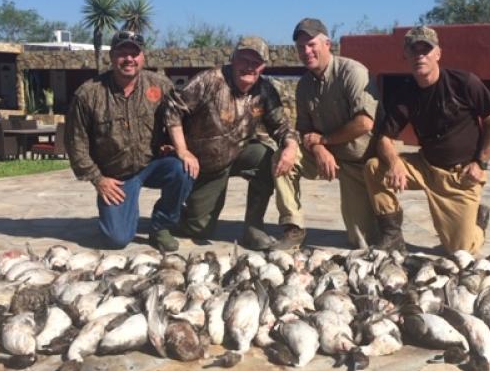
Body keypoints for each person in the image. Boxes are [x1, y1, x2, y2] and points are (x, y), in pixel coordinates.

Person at [364, 25, 490, 254]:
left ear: (438, 54)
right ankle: (392, 236)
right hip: (426, 167)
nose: (420, 55)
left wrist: (480, 163)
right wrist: (394, 162)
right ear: (406, 55)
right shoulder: (405, 93)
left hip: (460, 176)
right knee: (374, 167)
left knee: (460, 251)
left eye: (426, 50)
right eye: (414, 50)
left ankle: (477, 223)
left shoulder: (464, 82)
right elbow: (384, 138)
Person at [164, 36, 299, 249]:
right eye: (244, 59)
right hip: (204, 165)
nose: (249, 66)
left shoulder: (265, 90)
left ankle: (253, 227)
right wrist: (182, 150)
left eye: (255, 62)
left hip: (238, 153)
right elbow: (173, 109)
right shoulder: (208, 80)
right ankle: (175, 211)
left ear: (263, 66)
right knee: (198, 229)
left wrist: (290, 147)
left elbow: (281, 126)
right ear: (233, 59)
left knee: (266, 156)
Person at [65, 30, 194, 252]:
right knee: (116, 239)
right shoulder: (88, 94)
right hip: (115, 176)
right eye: (122, 53)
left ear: (143, 57)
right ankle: (121, 215)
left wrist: (179, 148)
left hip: (152, 164)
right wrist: (98, 179)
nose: (129, 59)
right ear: (112, 57)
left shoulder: (160, 85)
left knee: (183, 168)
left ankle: (161, 226)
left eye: (134, 53)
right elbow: (75, 144)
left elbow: (177, 118)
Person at [272, 18, 381, 249]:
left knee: (362, 240)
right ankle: (293, 228)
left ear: (327, 44)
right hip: (323, 154)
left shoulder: (353, 72)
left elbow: (364, 123)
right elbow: (304, 130)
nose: (306, 51)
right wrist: (320, 148)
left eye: (311, 44)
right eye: (301, 47)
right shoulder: (304, 86)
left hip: (357, 161)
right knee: (283, 157)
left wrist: (324, 140)